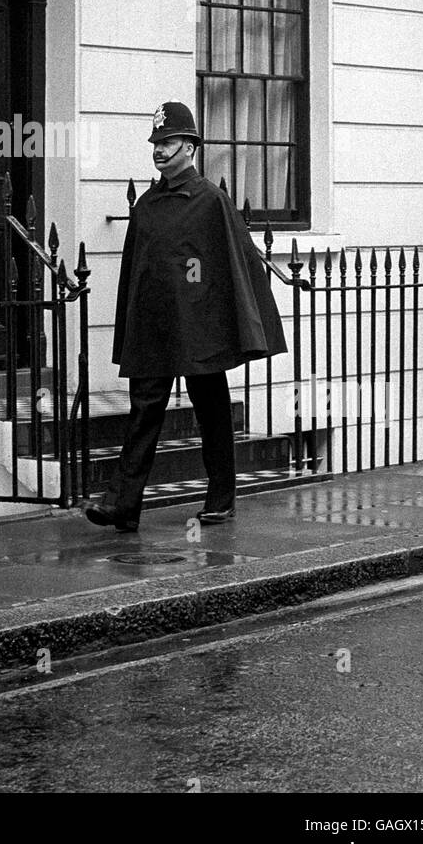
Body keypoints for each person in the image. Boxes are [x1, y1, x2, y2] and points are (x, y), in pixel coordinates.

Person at [86, 100, 287, 533]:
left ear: (190, 146)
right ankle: (123, 504)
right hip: (155, 327)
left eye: (168, 141)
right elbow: (137, 271)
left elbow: (236, 265)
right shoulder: (146, 205)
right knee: (144, 412)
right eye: (156, 142)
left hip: (199, 325)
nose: (159, 150)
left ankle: (221, 498)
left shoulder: (212, 202)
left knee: (211, 408)